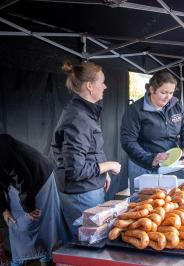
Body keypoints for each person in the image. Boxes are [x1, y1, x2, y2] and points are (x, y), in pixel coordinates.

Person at [52, 60, 121, 240]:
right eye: (102, 82)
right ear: (90, 86)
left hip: (88, 187)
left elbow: (90, 150)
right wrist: (108, 166)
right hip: (81, 194)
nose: (105, 86)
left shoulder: (85, 112)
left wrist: (102, 174)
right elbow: (75, 170)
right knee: (87, 245)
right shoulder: (78, 118)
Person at [120, 71, 184, 194]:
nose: (168, 97)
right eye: (163, 92)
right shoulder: (135, 110)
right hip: (143, 166)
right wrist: (150, 158)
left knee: (169, 201)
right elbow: (128, 141)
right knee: (143, 204)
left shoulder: (176, 105)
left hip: (170, 164)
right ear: (152, 89)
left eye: (171, 93)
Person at [0, 134, 66, 266]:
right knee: (16, 222)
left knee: (38, 221)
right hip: (17, 182)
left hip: (39, 176)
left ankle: (46, 259)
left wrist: (29, 207)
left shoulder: (2, 148)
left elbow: (23, 177)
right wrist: (4, 209)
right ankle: (19, 260)